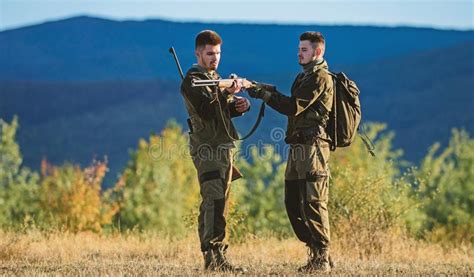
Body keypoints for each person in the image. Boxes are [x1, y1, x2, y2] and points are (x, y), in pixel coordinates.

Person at [248, 31, 334, 272]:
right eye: (299, 49)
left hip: (314, 148)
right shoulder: (303, 77)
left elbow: (293, 107)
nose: (299, 53)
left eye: (304, 50)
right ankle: (315, 251)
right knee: (293, 203)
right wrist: (257, 87)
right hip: (298, 148)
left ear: (317, 52)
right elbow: (290, 100)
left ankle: (322, 257)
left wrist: (263, 95)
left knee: (314, 202)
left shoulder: (320, 79)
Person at [180, 30, 250, 272]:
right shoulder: (193, 80)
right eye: (210, 53)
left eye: (218, 53)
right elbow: (206, 111)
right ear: (198, 53)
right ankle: (216, 258)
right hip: (207, 148)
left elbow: (223, 110)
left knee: (218, 201)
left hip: (222, 147)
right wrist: (226, 92)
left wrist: (240, 105)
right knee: (215, 202)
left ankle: (213, 258)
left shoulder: (214, 77)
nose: (215, 58)